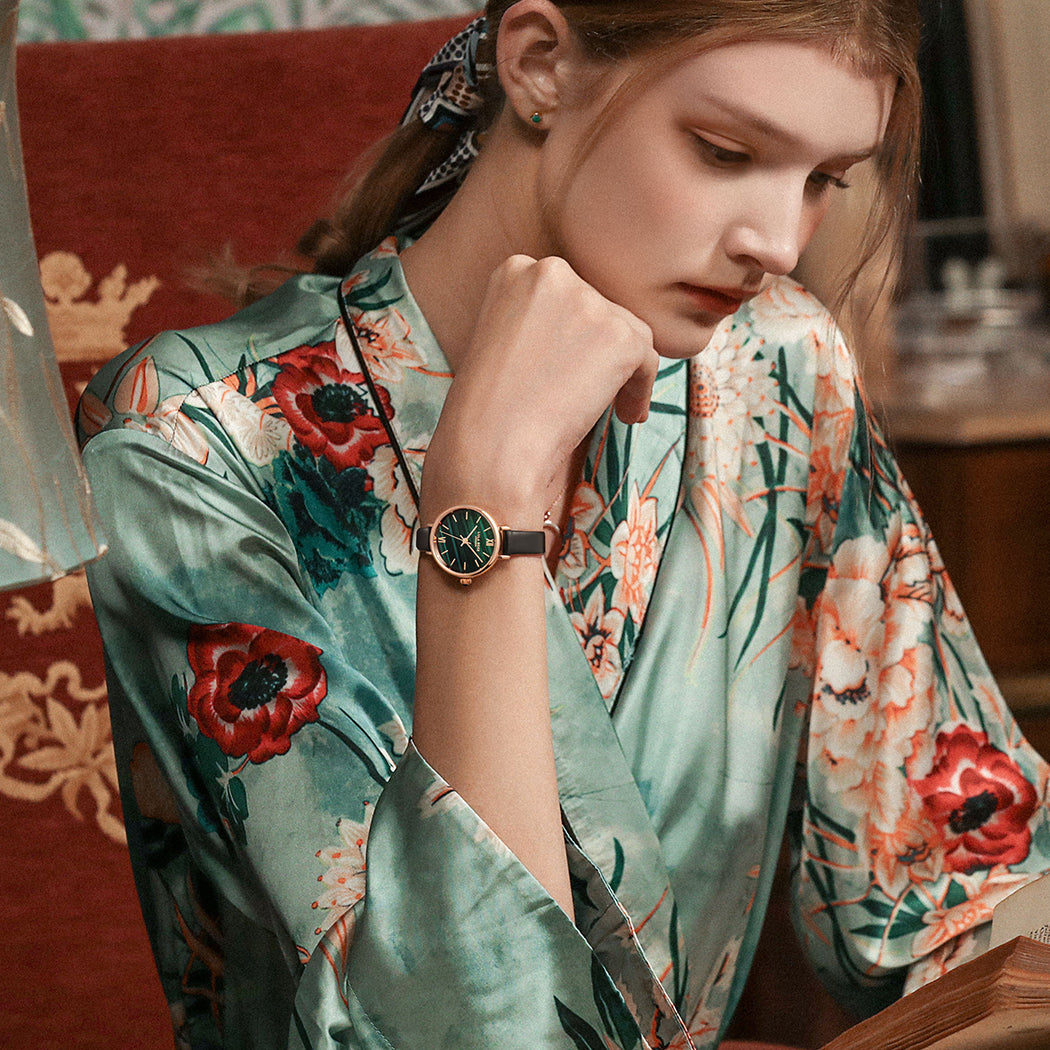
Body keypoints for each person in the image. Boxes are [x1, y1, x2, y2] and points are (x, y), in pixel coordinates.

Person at [76, 2, 1050, 1048]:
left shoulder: (774, 368)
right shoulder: (189, 441)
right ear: (540, 65)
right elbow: (455, 1028)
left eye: (824, 180)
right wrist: (485, 497)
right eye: (723, 152)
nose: (776, 242)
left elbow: (959, 884)